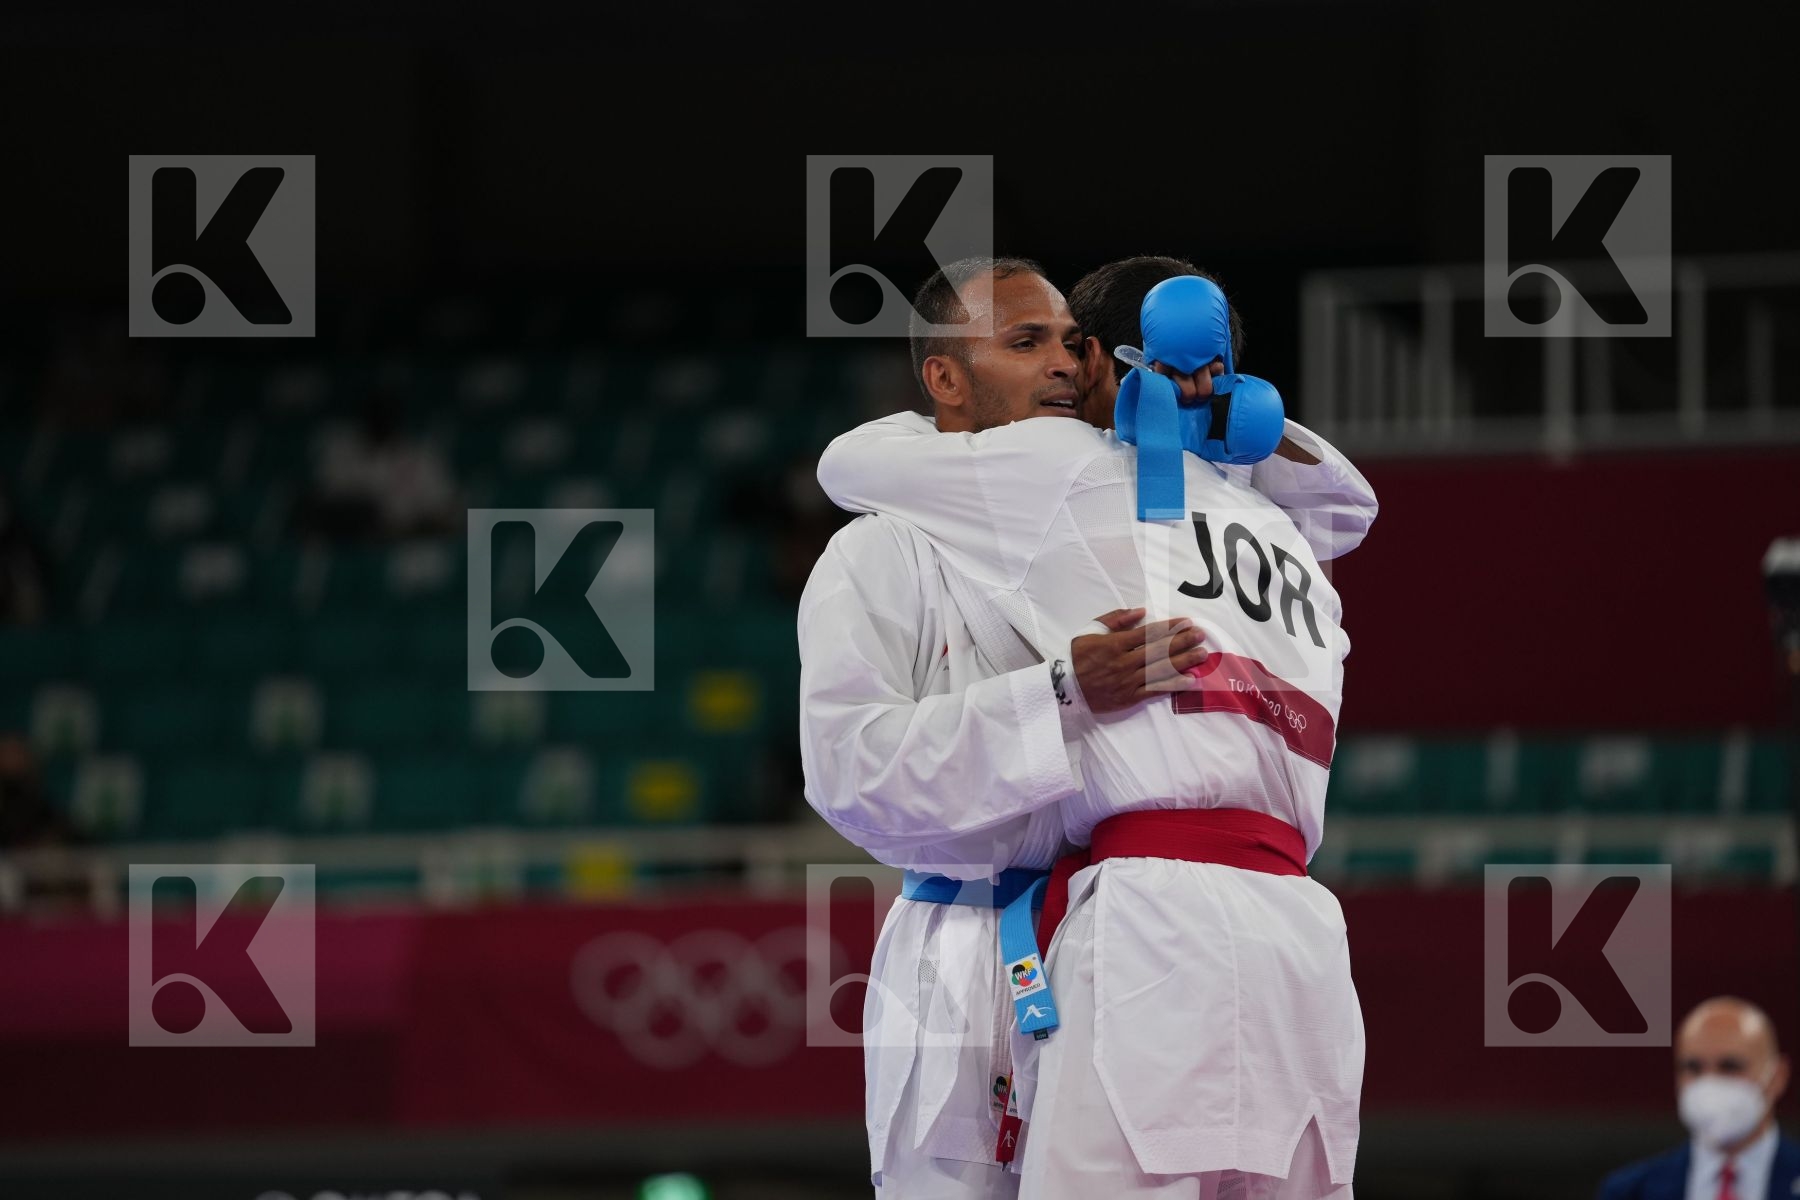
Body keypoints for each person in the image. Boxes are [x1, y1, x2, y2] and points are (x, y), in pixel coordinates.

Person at [816, 257, 1368, 1199]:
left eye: (1077, 346)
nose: (1065, 368)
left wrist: (1213, 421)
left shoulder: (1096, 485)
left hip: (1125, 915)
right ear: (944, 378)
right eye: (1029, 343)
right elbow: (847, 777)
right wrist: (1060, 694)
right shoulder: (882, 546)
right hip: (972, 936)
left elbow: (845, 457)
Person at [1598, 996, 1800, 1200]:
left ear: (1777, 1077)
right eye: (1693, 1068)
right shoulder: (1629, 1191)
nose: (1709, 1082)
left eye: (1730, 1066)